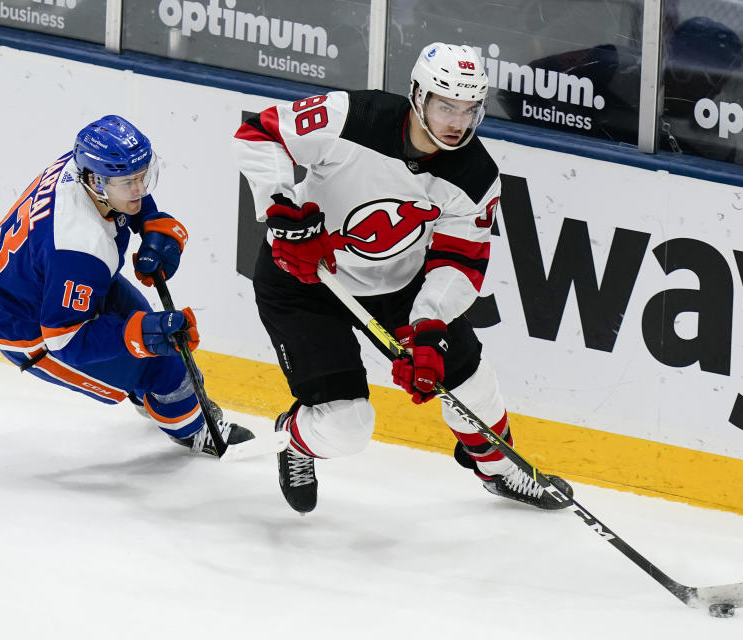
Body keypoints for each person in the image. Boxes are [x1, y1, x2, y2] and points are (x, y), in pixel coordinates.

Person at [233, 43, 574, 513]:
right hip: (303, 281)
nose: (458, 122)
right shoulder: (352, 116)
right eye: (446, 105)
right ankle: (297, 439)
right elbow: (260, 131)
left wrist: (429, 330)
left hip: (396, 285)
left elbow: (460, 261)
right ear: (418, 95)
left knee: (471, 380)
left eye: (470, 109)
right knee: (347, 427)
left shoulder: (475, 175)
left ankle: (501, 469)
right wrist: (280, 207)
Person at [0, 115, 253, 454]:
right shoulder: (81, 245)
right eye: (128, 182)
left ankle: (152, 396)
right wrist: (140, 337)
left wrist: (149, 221)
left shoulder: (81, 168)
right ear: (97, 182)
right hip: (24, 326)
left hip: (40, 282)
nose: (141, 190)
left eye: (142, 176)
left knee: (143, 325)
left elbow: (126, 195)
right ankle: (194, 430)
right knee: (160, 362)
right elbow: (66, 340)